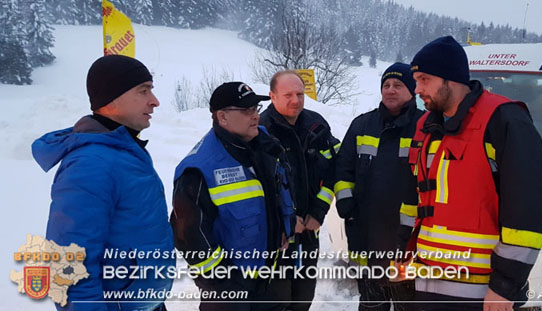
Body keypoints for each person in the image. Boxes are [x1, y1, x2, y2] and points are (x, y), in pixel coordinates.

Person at [405, 35, 542, 310]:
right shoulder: (426, 126)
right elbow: (423, 201)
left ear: (450, 78)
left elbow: (529, 211)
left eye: (424, 79)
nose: (416, 89)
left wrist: (505, 287)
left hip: (483, 294)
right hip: (429, 284)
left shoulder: (504, 120)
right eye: (416, 81)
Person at [32, 55, 175, 311]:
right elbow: (69, 263)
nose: (154, 101)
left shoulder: (124, 151)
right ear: (112, 98)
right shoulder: (91, 163)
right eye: (143, 91)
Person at [171, 81, 296, 311]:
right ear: (222, 117)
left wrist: (283, 230)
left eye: (256, 109)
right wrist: (223, 279)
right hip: (228, 288)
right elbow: (187, 235)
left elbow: (278, 194)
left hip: (269, 274)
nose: (255, 116)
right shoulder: (199, 167)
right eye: (246, 110)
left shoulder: (264, 145)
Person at [334, 63, 424, 310]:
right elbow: (343, 167)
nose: (390, 90)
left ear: (413, 90)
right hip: (366, 233)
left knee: (409, 304)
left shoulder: (425, 127)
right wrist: (346, 203)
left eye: (398, 85)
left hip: (407, 236)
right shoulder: (362, 125)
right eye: (386, 85)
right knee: (372, 302)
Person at [259, 70, 341, 310]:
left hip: (308, 232)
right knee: (278, 301)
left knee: (303, 299)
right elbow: (260, 186)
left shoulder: (316, 126)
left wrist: (318, 212)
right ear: (272, 96)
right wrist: (286, 219)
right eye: (288, 95)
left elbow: (334, 169)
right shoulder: (261, 131)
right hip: (277, 238)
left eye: (300, 94)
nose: (295, 100)